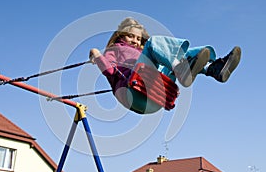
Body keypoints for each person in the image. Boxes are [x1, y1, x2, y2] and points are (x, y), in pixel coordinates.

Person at [89, 17, 241, 114]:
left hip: (155, 100)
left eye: (138, 38)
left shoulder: (142, 53)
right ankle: (180, 69)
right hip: (133, 94)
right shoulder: (116, 49)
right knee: (153, 43)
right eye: (130, 36)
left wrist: (168, 81)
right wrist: (96, 53)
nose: (135, 41)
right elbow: (109, 71)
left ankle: (213, 68)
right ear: (120, 35)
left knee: (188, 54)